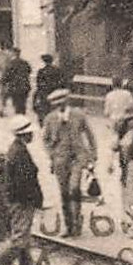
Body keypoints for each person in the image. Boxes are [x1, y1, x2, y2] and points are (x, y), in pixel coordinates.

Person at [41, 87, 96, 238]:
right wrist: (51, 154)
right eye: (57, 105)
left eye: (62, 103)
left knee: (74, 189)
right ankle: (68, 226)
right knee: (64, 192)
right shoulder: (50, 119)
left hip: (78, 158)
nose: (60, 107)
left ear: (67, 101)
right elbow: (45, 139)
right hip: (60, 159)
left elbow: (90, 135)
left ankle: (77, 224)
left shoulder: (79, 115)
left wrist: (93, 155)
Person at [1, 114, 44, 265]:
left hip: (17, 199)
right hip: (21, 201)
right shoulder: (19, 153)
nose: (32, 135)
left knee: (24, 236)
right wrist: (33, 200)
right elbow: (24, 182)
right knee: (20, 238)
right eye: (29, 133)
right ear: (23, 134)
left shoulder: (17, 149)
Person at [102, 78, 133, 175]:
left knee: (113, 141)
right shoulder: (127, 94)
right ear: (121, 84)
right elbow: (132, 106)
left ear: (113, 85)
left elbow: (106, 112)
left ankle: (110, 164)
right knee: (127, 140)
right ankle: (125, 161)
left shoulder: (109, 95)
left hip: (114, 121)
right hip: (126, 120)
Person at [32, 53, 66, 122]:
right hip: (56, 92)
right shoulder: (58, 70)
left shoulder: (41, 71)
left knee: (41, 107)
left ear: (44, 61)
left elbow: (39, 84)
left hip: (45, 93)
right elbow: (62, 82)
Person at [0, 48, 34, 118]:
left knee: (16, 103)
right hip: (25, 86)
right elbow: (29, 71)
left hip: (15, 87)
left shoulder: (11, 63)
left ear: (13, 53)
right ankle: (22, 116)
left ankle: (19, 118)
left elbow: (6, 75)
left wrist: (3, 82)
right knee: (23, 103)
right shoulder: (25, 62)